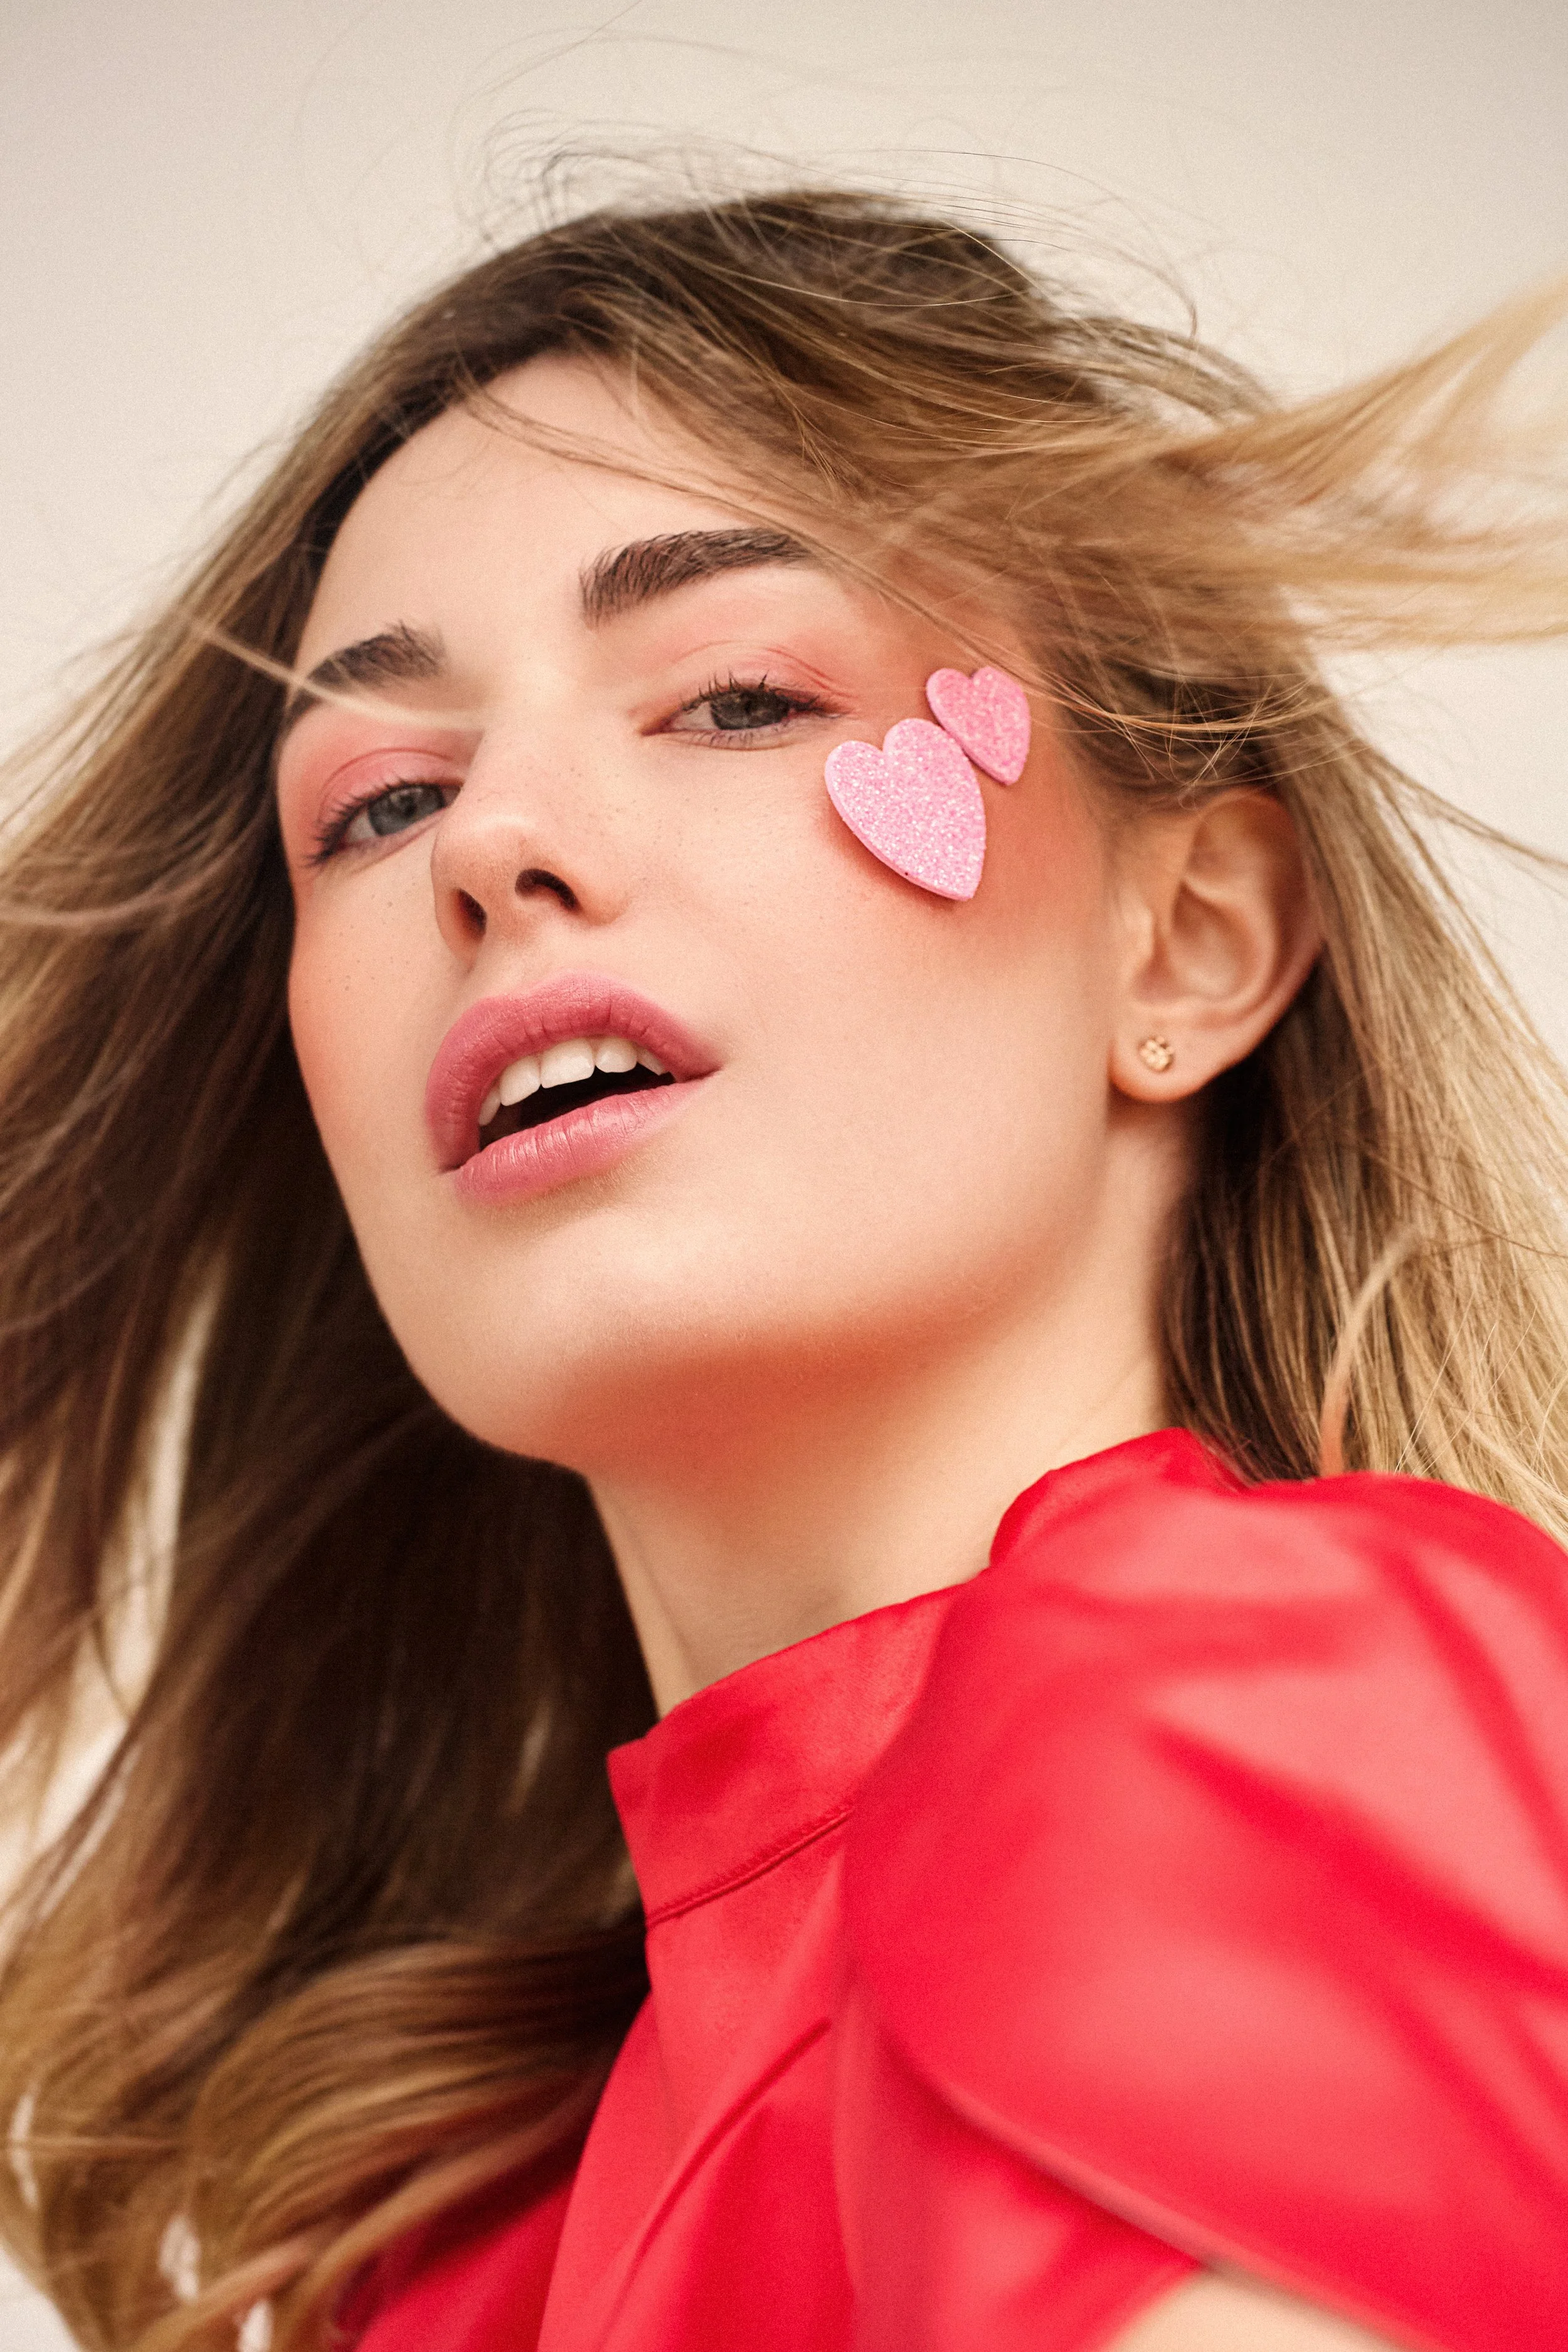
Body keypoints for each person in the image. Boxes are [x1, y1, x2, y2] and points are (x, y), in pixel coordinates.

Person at [0, 188, 1565, 2352]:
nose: (492, 840)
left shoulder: (1224, 1706)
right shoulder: (454, 2248)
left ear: (1185, 940)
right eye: (371, 803)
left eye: (734, 693)